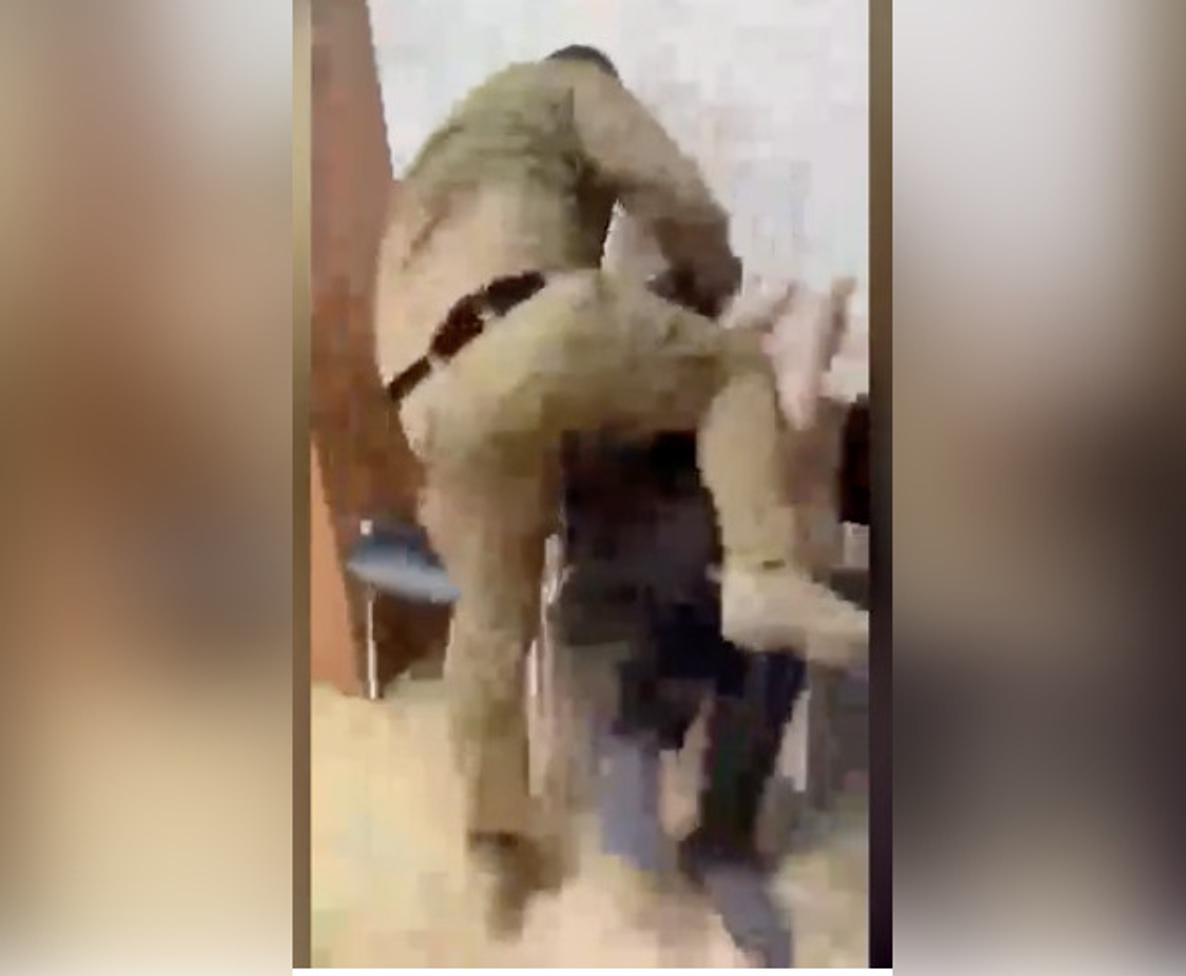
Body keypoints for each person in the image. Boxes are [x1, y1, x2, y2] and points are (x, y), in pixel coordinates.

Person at [374, 44, 868, 933]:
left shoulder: (451, 158)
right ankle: (758, 580)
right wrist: (714, 284)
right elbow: (676, 195)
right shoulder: (571, 87)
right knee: (732, 378)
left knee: (490, 624)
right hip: (527, 339)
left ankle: (497, 849)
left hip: (424, 396)